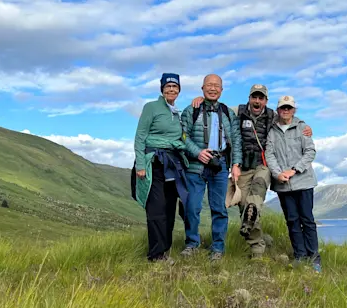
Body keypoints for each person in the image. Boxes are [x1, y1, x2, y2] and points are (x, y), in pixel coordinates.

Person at [190, 84, 311, 259]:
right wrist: (202, 100)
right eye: (254, 97)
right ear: (249, 98)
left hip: (263, 165)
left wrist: (305, 126)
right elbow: (216, 108)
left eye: (261, 98)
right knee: (244, 208)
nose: (257, 101)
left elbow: (289, 117)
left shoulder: (273, 115)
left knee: (257, 191)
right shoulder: (236, 111)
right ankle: (258, 246)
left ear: (265, 101)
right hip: (242, 168)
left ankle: (256, 240)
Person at [180, 74, 243, 261]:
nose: (213, 88)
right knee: (192, 207)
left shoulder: (228, 113)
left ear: (222, 90)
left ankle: (218, 248)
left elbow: (237, 140)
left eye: (217, 85)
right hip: (195, 165)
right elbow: (182, 136)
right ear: (202, 88)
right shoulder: (191, 110)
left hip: (220, 165)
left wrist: (236, 164)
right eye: (209, 85)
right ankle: (191, 244)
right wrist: (197, 152)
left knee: (219, 209)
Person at [131, 73, 190, 262]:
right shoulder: (151, 108)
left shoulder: (177, 113)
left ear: (179, 90)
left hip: (172, 164)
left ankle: (165, 249)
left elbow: (180, 139)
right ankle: (156, 254)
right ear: (162, 89)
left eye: (175, 87)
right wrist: (140, 164)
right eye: (168, 86)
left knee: (169, 208)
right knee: (156, 209)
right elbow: (140, 136)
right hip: (153, 163)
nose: (172, 89)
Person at [264, 95, 321, 272]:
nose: (286, 111)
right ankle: (300, 256)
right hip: (283, 185)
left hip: (303, 182)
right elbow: (269, 154)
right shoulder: (272, 131)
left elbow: (310, 152)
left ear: (294, 110)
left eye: (289, 108)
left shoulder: (302, 128)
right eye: (283, 108)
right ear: (278, 110)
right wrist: (277, 173)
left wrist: (294, 170)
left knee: (307, 220)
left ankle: (314, 258)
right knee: (292, 221)